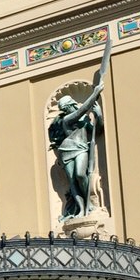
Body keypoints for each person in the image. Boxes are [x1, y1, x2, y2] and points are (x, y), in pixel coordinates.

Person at [48, 82, 105, 221]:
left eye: (66, 107)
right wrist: (95, 93)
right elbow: (82, 110)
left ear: (71, 105)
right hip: (66, 151)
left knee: (80, 174)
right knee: (72, 182)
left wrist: (98, 116)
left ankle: (89, 204)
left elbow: (97, 131)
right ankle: (81, 209)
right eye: (63, 109)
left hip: (81, 149)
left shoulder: (84, 119)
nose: (65, 110)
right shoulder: (66, 119)